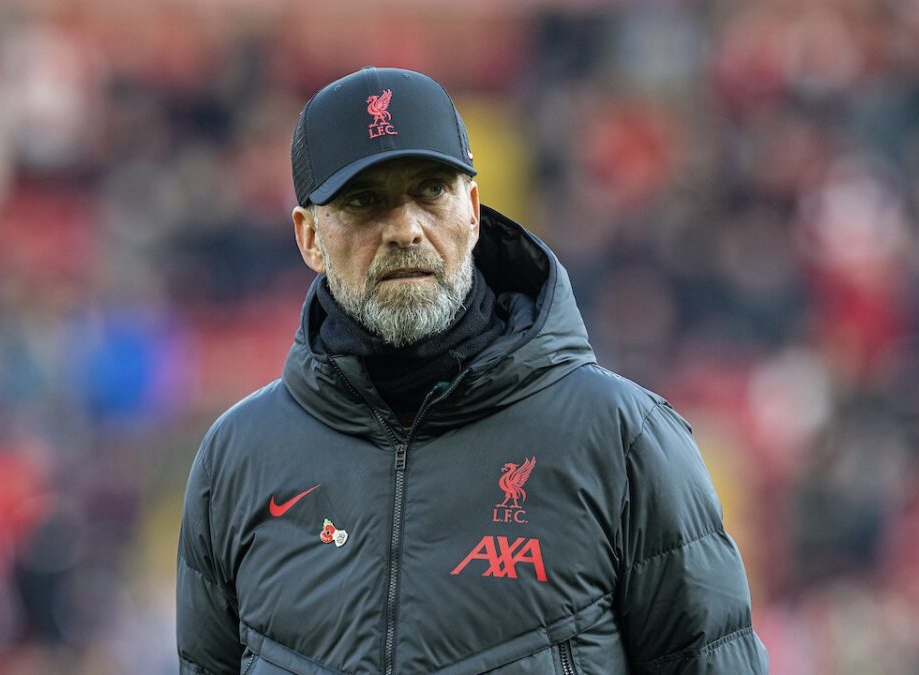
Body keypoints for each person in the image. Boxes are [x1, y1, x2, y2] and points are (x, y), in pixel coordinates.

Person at [176, 66, 768, 674]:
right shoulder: (236, 460)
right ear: (309, 238)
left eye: (431, 191)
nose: (405, 229)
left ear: (474, 210)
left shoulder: (622, 438)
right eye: (363, 201)